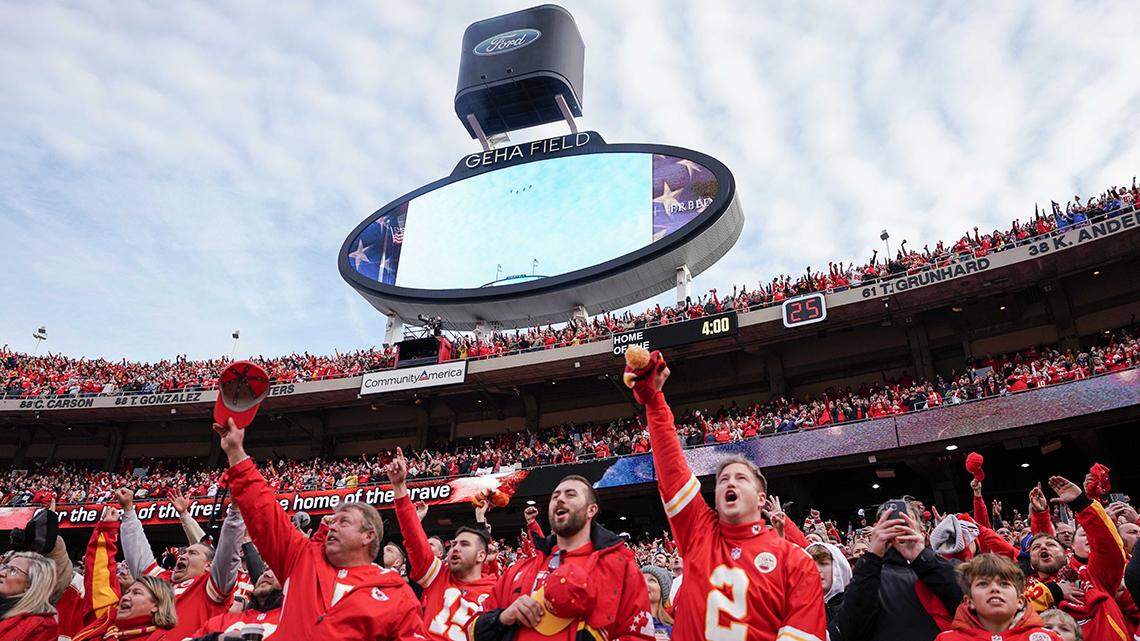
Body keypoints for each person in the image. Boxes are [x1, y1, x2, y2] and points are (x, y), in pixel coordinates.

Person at [623, 346, 827, 641]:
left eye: (741, 478)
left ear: (761, 499)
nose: (729, 482)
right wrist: (655, 402)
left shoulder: (794, 561)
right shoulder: (698, 530)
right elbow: (671, 468)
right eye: (722, 480)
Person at [214, 417, 426, 640]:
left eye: (343, 522)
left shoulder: (396, 593)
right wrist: (236, 452)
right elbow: (265, 512)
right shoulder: (302, 559)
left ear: (368, 536)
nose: (333, 526)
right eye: (333, 521)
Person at [466, 475, 654, 641]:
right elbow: (471, 630)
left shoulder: (620, 568)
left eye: (570, 494)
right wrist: (502, 617)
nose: (560, 499)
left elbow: (639, 635)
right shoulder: (518, 570)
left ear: (591, 510)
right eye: (555, 496)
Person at [386, 446, 497, 641]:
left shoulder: (497, 590)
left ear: (481, 555)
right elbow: (414, 539)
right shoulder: (438, 575)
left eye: (464, 544)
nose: (455, 548)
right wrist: (399, 487)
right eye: (453, 544)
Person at [116, 487, 245, 639]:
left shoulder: (211, 586)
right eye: (184, 552)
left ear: (209, 565)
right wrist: (128, 510)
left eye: (193, 553)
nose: (183, 556)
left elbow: (227, 553)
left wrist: (236, 511)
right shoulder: (162, 579)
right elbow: (138, 555)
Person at [836, 500, 963, 641]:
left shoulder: (945, 567)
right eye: (888, 523)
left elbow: (970, 606)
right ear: (876, 531)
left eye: (905, 522)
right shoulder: (868, 575)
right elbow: (848, 630)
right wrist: (872, 557)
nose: (896, 528)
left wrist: (922, 557)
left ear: (921, 529)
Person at [1024, 476, 1129, 641]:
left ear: (1067, 553)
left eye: (1051, 545)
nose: (1043, 548)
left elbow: (1109, 548)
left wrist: (1081, 504)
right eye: (1036, 548)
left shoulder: (1093, 575)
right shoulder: (1026, 589)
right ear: (1030, 562)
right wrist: (1054, 591)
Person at [935, 554, 1061, 640]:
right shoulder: (946, 639)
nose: (995, 589)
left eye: (1004, 584)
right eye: (983, 584)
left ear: (1020, 601)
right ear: (969, 601)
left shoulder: (1048, 637)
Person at [71, 575, 177, 641]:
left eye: (136, 593)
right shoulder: (104, 625)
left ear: (156, 605)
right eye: (127, 592)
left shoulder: (158, 638)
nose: (126, 597)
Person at [186, 569, 283, 640]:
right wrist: (217, 638)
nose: (266, 574)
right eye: (264, 571)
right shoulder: (223, 620)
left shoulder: (293, 620)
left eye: (275, 571)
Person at [0, 551, 58, 641]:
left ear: (31, 584)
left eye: (13, 570)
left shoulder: (41, 626)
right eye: (4, 567)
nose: (2, 573)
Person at [639, 565, 673, 639]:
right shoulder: (625, 624)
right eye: (641, 579)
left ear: (662, 591)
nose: (644, 583)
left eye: (652, 580)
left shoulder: (671, 631)